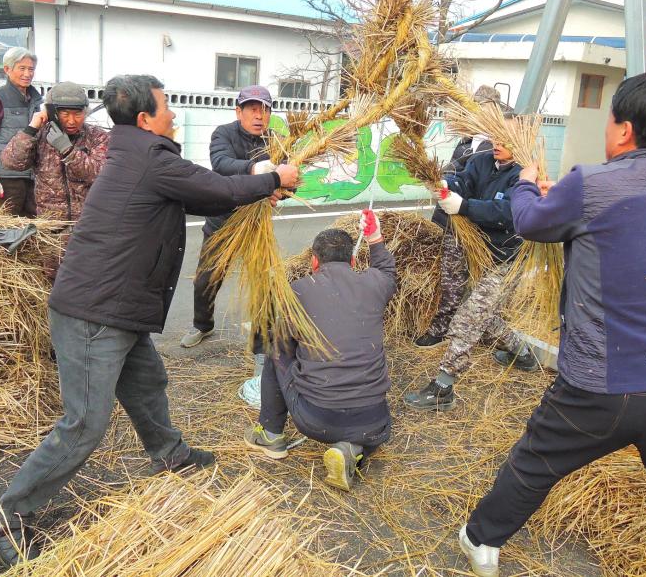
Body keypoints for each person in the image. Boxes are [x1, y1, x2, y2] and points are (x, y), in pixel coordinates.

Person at [0, 75, 300, 567]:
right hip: (94, 311)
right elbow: (217, 185)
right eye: (168, 106)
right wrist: (274, 178)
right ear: (147, 118)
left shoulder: (141, 154)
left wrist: (258, 192)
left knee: (147, 382)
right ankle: (7, 514)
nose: (174, 113)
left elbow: (205, 194)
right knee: (85, 422)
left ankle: (169, 453)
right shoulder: (149, 156)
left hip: (117, 306)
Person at [456, 72, 646, 577]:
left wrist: (529, 186)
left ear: (624, 130)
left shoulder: (592, 182)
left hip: (602, 383)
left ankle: (481, 540)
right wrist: (561, 201)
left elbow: (530, 222)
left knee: (535, 462)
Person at [244, 211, 394, 491]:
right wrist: (375, 238)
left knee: (277, 347)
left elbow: (283, 342)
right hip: (375, 421)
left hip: (316, 418)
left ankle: (271, 434)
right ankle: (353, 447)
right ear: (352, 260)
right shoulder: (376, 283)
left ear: (314, 261)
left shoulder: (296, 291)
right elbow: (387, 270)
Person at [404, 119, 536, 412]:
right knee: (483, 317)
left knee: (469, 317)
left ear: (520, 142)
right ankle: (522, 353)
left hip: (502, 258)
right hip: (472, 245)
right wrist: (446, 186)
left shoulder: (526, 176)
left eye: (504, 140)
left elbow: (507, 212)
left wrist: (464, 207)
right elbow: (463, 180)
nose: (496, 144)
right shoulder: (482, 161)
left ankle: (443, 386)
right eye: (495, 137)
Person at [180, 84, 279, 406]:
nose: (258, 115)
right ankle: (202, 325)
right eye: (251, 108)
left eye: (263, 109)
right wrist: (255, 169)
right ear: (238, 112)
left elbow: (291, 176)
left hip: (257, 225)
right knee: (208, 278)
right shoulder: (223, 133)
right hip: (224, 220)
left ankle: (262, 342)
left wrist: (281, 189)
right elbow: (221, 164)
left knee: (265, 282)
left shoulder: (276, 140)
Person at [0, 82, 108, 220]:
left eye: (78, 114)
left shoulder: (96, 136)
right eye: (65, 114)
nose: (71, 121)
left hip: (87, 225)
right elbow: (11, 162)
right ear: (52, 113)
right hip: (51, 228)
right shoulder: (40, 135)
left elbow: (100, 174)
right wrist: (31, 129)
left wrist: (68, 151)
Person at [0, 47, 41, 216]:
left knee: (32, 232)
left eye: (31, 69)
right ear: (7, 69)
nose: (27, 74)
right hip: (6, 180)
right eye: (22, 68)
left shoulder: (35, 100)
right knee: (4, 232)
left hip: (31, 178)